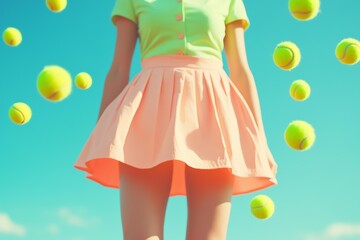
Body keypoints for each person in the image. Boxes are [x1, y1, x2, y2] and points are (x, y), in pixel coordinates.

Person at [74, 0, 278, 239]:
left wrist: (259, 139)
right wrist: (104, 134)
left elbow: (241, 69)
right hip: (145, 116)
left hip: (213, 118)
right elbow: (119, 68)